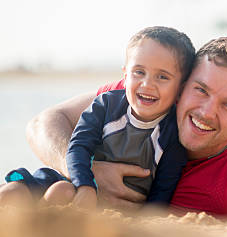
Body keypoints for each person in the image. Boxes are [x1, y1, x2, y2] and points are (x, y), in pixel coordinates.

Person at [23, 37, 227, 219]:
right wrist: (84, 173)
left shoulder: (225, 193)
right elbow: (43, 123)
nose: (206, 112)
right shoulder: (151, 94)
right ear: (182, 85)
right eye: (201, 90)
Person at [0, 26, 195, 209]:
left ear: (181, 89)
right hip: (77, 178)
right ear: (125, 76)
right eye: (139, 72)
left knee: (63, 192)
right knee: (17, 190)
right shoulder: (106, 105)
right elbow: (78, 146)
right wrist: (85, 186)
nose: (147, 84)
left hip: (111, 202)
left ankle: (45, 220)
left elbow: (163, 189)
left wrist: (147, 216)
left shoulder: (172, 134)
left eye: (162, 77)